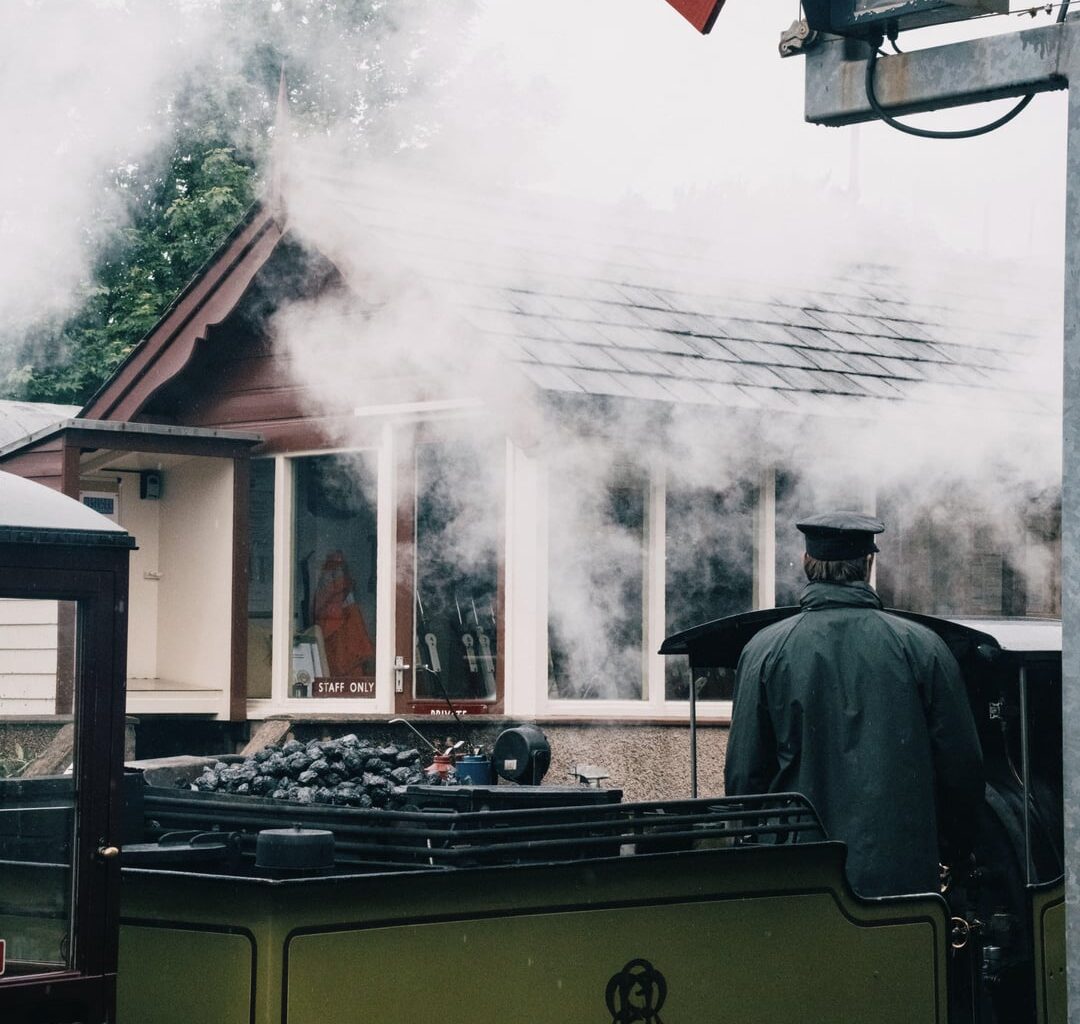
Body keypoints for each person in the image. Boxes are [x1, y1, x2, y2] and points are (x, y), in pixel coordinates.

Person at [724, 511, 984, 898]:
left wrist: (755, 856)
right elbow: (961, 767)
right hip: (903, 876)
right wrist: (955, 851)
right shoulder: (923, 647)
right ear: (868, 564)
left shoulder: (764, 650)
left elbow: (745, 776)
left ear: (806, 563)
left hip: (800, 875)